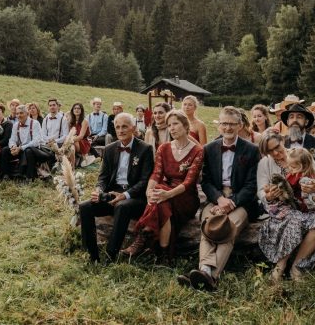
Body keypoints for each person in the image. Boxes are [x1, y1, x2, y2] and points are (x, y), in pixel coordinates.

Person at [177, 106, 260, 291]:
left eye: (231, 124)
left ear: (240, 126)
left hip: (242, 201)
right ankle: (206, 273)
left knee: (229, 227)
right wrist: (219, 199)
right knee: (208, 224)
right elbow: (205, 181)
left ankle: (208, 276)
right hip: (215, 198)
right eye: (224, 124)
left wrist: (232, 202)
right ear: (219, 126)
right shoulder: (209, 148)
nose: (227, 128)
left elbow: (251, 185)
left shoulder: (252, 150)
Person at [121, 110, 203, 261]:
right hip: (165, 192)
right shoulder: (163, 148)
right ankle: (164, 255)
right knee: (159, 198)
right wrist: (148, 193)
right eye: (169, 125)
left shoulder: (197, 150)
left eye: (175, 124)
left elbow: (189, 182)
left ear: (186, 126)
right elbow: (156, 174)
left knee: (161, 195)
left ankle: (142, 236)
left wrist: (166, 194)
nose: (171, 128)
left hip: (186, 196)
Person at [78, 112, 154, 263]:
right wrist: (99, 190)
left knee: (122, 207)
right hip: (112, 193)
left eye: (124, 126)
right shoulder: (110, 148)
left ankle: (110, 255)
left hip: (134, 196)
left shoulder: (145, 149)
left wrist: (125, 195)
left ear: (133, 128)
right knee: (85, 206)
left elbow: (145, 181)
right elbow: (103, 177)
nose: (120, 130)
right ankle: (92, 254)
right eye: (117, 127)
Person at [257, 137, 315, 282]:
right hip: (283, 208)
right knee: (295, 218)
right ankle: (280, 265)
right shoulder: (265, 163)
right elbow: (261, 191)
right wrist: (269, 195)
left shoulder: (300, 154)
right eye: (270, 151)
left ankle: (297, 267)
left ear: (282, 141)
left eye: (277, 147)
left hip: (307, 207)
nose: (276, 153)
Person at [3, 104, 50, 181]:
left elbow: (36, 141)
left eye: (21, 113)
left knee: (28, 150)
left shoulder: (35, 123)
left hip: (36, 151)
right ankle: (6, 174)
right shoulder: (15, 125)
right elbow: (12, 139)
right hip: (21, 149)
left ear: (27, 114)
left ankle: (29, 177)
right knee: (5, 150)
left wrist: (21, 148)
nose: (19, 115)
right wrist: (13, 147)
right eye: (17, 113)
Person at [281, 103, 315, 176]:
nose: (295, 120)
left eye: (299, 117)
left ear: (306, 122)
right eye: (291, 117)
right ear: (287, 122)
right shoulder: (281, 143)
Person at [42, 98, 73, 165]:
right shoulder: (45, 119)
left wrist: (55, 141)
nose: (52, 107)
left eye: (54, 105)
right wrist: (48, 140)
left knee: (52, 151)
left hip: (59, 143)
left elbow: (65, 135)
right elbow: (43, 134)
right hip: (47, 143)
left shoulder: (63, 119)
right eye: (50, 105)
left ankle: (54, 165)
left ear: (57, 106)